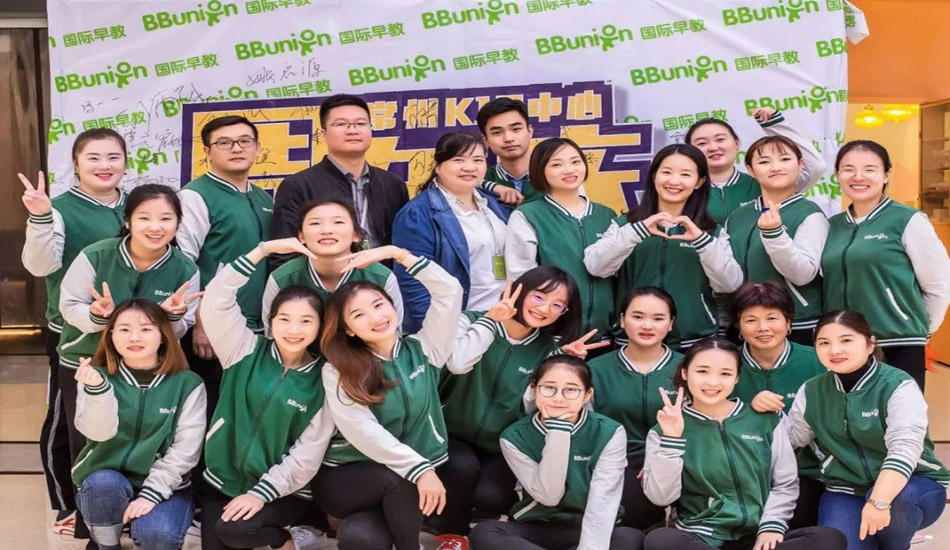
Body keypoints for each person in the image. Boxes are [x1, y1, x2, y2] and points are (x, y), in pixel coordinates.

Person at [57, 184, 200, 517]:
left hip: (147, 367)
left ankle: (144, 509)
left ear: (178, 223)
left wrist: (172, 317)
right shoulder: (97, 254)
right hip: (88, 362)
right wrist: (97, 315)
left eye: (166, 218)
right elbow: (69, 305)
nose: (155, 227)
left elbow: (181, 328)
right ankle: (92, 522)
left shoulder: (185, 269)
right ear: (127, 221)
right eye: (144, 217)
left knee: (145, 439)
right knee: (87, 443)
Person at [313, 245, 465, 550]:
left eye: (379, 305)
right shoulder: (338, 369)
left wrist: (400, 255)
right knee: (404, 478)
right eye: (358, 314)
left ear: (393, 306)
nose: (375, 317)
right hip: (348, 475)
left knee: (361, 538)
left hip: (402, 478)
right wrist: (420, 468)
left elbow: (450, 291)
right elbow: (362, 430)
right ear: (348, 330)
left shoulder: (425, 348)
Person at [20, 128, 128, 535]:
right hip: (72, 332)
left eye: (113, 157)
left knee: (120, 415)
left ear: (126, 162)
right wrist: (40, 216)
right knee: (66, 419)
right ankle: (66, 503)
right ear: (76, 164)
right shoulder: (60, 208)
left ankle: (117, 503)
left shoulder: (137, 205)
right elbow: (40, 265)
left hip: (131, 333)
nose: (105, 166)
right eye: (94, 158)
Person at [642, 337, 847, 550]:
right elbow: (661, 497)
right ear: (685, 373)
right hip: (700, 537)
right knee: (661, 540)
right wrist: (672, 440)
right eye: (702, 371)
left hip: (758, 537)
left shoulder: (765, 420)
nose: (713, 382)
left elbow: (784, 483)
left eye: (725, 374)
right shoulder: (664, 429)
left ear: (737, 378)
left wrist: (772, 525)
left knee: (829, 538)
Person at [198, 238, 335, 550]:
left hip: (284, 491)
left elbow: (308, 453)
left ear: (320, 326)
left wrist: (261, 493)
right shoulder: (244, 349)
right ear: (270, 322)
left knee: (236, 531)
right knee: (224, 536)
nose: (294, 329)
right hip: (221, 480)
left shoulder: (324, 378)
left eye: (306, 321)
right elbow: (217, 300)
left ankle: (284, 537)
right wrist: (261, 251)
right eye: (284, 319)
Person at [435, 267, 590, 534]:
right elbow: (458, 363)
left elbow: (536, 407)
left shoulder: (548, 349)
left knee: (491, 496)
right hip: (451, 431)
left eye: (557, 305)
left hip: (502, 442)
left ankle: (488, 528)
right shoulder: (469, 320)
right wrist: (491, 320)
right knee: (462, 468)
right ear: (520, 290)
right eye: (539, 297)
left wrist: (561, 366)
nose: (545, 308)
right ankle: (452, 533)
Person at [785, 310, 949, 550]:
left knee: (900, 505)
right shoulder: (812, 390)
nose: (835, 350)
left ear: (870, 344)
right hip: (845, 490)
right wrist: (754, 414)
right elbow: (792, 437)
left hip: (913, 485)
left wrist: (878, 502)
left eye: (846, 340)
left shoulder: (897, 384)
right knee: (839, 544)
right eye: (824, 343)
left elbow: (904, 448)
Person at [468, 355, 645, 550]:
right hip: (539, 526)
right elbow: (549, 496)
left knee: (630, 538)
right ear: (534, 389)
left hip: (592, 526)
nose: (558, 397)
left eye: (571, 390)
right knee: (485, 532)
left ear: (587, 395)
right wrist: (558, 431)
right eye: (549, 388)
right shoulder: (514, 437)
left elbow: (603, 499)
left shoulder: (609, 431)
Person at [71, 300, 206, 550]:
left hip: (166, 486)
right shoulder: (97, 377)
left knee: (159, 534)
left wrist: (150, 495)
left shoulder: (188, 384)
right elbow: (98, 433)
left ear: (163, 335)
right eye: (124, 329)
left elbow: (186, 450)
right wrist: (98, 391)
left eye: (146, 329)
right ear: (111, 336)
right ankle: (106, 545)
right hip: (106, 481)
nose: (134, 337)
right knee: (103, 485)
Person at [584, 144, 742, 349]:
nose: (674, 181)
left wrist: (702, 241)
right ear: (654, 176)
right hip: (632, 339)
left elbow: (730, 284)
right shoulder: (625, 225)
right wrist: (637, 231)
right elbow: (596, 267)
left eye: (685, 174)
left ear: (699, 182)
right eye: (666, 172)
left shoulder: (711, 232)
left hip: (694, 340)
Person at [821, 140, 950, 390]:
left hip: (897, 341)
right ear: (837, 175)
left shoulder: (907, 220)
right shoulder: (833, 225)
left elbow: (939, 283)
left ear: (886, 174)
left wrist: (918, 330)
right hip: (844, 343)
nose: (858, 177)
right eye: (848, 169)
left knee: (899, 412)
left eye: (869, 169)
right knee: (848, 410)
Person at [177, 115, 273, 419]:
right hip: (212, 329)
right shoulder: (195, 196)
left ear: (257, 147)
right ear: (207, 151)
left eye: (245, 141)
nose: (236, 148)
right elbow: (183, 265)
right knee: (212, 414)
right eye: (224, 143)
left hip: (255, 328)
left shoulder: (262, 197)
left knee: (247, 414)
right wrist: (201, 322)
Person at [270, 93, 409, 269]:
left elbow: (405, 244)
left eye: (361, 124)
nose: (352, 130)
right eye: (341, 124)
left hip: (382, 281)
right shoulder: (298, 185)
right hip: (323, 281)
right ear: (323, 134)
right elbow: (283, 253)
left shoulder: (392, 184)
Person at [729, 282, 826, 529]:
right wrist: (749, 409)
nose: (763, 327)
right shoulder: (725, 364)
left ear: (788, 323)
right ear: (739, 326)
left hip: (806, 471)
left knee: (802, 518)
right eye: (751, 320)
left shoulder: (817, 362)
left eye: (772, 318)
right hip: (741, 473)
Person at [392, 131, 509, 334]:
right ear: (437, 165)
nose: (470, 167)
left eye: (478, 160)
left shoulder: (492, 203)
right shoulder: (418, 213)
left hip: (501, 319)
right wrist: (441, 333)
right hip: (460, 326)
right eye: (459, 160)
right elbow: (413, 282)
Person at [506, 137, 616, 344]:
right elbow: (521, 277)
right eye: (556, 164)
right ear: (540, 171)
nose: (569, 170)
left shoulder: (606, 215)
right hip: (550, 335)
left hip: (604, 335)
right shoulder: (528, 215)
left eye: (575, 161)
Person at [588, 286, 682, 529]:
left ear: (671, 324)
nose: (647, 325)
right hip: (618, 462)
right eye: (638, 316)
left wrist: (660, 459)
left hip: (676, 457)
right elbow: (585, 429)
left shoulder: (689, 368)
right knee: (634, 516)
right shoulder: (596, 370)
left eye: (658, 318)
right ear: (622, 320)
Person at [724, 136, 829, 344]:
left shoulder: (809, 214)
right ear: (750, 170)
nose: (775, 167)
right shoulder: (738, 217)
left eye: (785, 159)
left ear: (800, 165)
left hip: (798, 322)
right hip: (748, 323)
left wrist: (774, 234)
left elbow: (803, 274)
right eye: (764, 162)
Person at [262, 199, 402, 333]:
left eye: (338, 222)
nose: (327, 230)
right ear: (301, 237)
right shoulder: (282, 278)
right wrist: (262, 250)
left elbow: (392, 335)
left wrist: (400, 255)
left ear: (356, 234)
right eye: (315, 223)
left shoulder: (381, 277)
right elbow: (272, 335)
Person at [686, 109, 826, 225]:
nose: (713, 148)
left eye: (720, 139)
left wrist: (775, 125)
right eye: (702, 143)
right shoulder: (686, 189)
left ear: (737, 143)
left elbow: (815, 166)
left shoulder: (768, 182)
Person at [476, 97, 535, 208]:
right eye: (497, 132)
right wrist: (493, 186)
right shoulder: (481, 178)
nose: (508, 138)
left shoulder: (552, 174)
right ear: (485, 140)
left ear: (530, 131)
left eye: (516, 129)